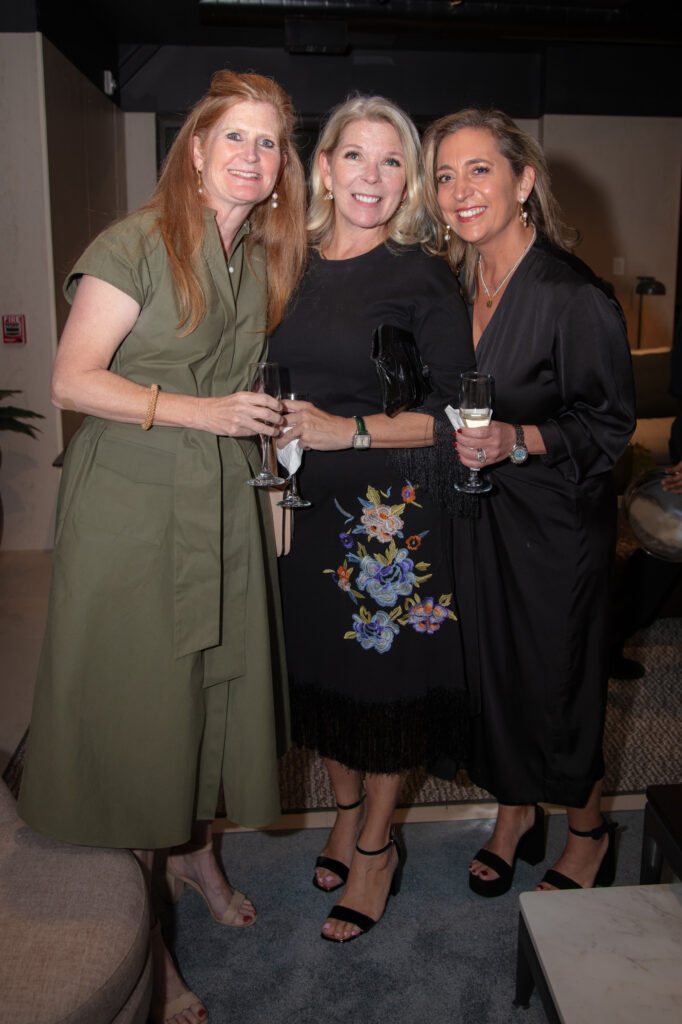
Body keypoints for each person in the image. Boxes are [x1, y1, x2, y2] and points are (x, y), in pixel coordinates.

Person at [18, 71, 307, 1023]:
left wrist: (271, 480)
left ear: (278, 171)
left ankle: (195, 854)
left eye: (268, 144)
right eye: (234, 139)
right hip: (133, 510)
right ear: (195, 150)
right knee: (145, 714)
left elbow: (251, 397)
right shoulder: (133, 244)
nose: (251, 157)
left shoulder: (260, 256)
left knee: (209, 696)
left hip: (218, 498)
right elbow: (69, 380)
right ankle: (154, 950)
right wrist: (207, 411)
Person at [268, 94, 474, 943]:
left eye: (392, 162)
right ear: (323, 166)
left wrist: (344, 428)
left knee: (383, 689)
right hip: (305, 506)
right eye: (356, 156)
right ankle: (346, 815)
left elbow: (455, 413)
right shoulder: (286, 261)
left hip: (389, 517)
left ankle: (379, 847)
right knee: (321, 682)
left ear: (410, 181)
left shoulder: (422, 274)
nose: (372, 177)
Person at [421, 108, 636, 895]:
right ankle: (515, 812)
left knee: (557, 682)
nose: (460, 190)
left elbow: (608, 425)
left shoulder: (572, 296)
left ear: (525, 182)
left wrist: (519, 440)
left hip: (554, 528)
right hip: (479, 519)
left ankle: (588, 832)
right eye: (446, 175)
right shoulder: (454, 285)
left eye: (479, 169)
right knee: (491, 673)